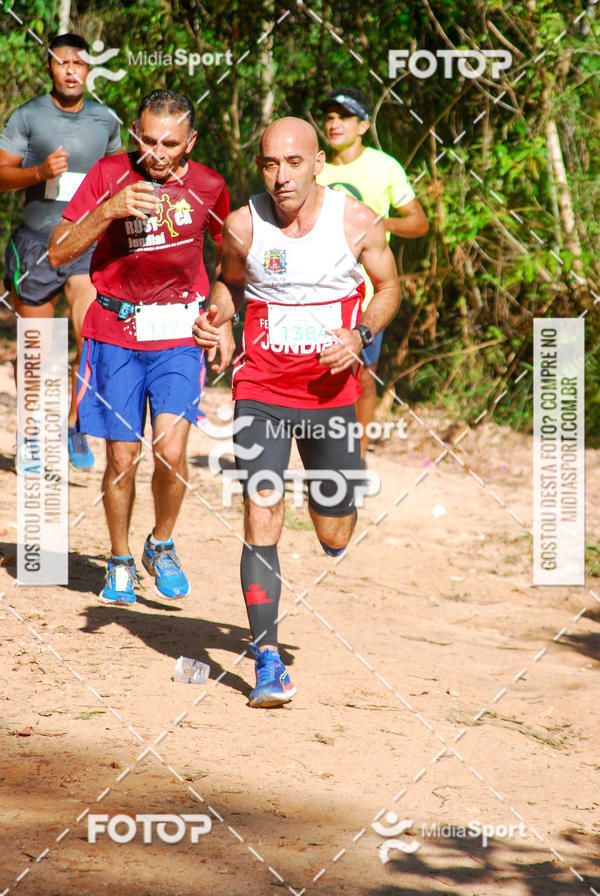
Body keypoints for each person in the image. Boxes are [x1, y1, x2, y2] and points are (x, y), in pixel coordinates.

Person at [192, 117, 400, 707]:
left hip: (331, 394)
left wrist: (359, 335)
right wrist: (217, 320)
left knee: (333, 524)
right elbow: (229, 285)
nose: (281, 177)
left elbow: (389, 289)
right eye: (269, 164)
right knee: (261, 507)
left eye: (293, 163)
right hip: (260, 388)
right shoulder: (242, 225)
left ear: (317, 164)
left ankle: (330, 504)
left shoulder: (357, 223)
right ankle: (267, 657)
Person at [48, 89, 231, 604]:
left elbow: (232, 265)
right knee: (121, 459)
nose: (158, 153)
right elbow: (59, 249)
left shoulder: (210, 186)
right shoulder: (109, 174)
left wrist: (225, 316)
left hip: (177, 334)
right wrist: (108, 210)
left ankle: (162, 544)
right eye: (148, 140)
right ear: (135, 133)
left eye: (171, 144)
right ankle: (120, 559)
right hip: (114, 333)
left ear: (190, 141)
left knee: (172, 451)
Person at [0, 32, 122, 470]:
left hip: (86, 243)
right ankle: (32, 437)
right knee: (38, 347)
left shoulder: (106, 120)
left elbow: (119, 179)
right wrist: (38, 171)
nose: (71, 70)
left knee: (90, 334)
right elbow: (1, 175)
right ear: (49, 67)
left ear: (90, 69)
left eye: (80, 63)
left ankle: (75, 424)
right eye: (62, 62)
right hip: (35, 243)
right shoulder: (28, 116)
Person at [316, 87, 428, 465]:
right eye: (329, 117)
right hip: (313, 292)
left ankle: (356, 458)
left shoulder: (384, 167)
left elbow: (419, 222)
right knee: (312, 372)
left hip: (366, 294)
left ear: (364, 125)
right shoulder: (314, 167)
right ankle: (314, 455)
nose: (334, 124)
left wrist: (381, 222)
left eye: (343, 117)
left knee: (364, 376)